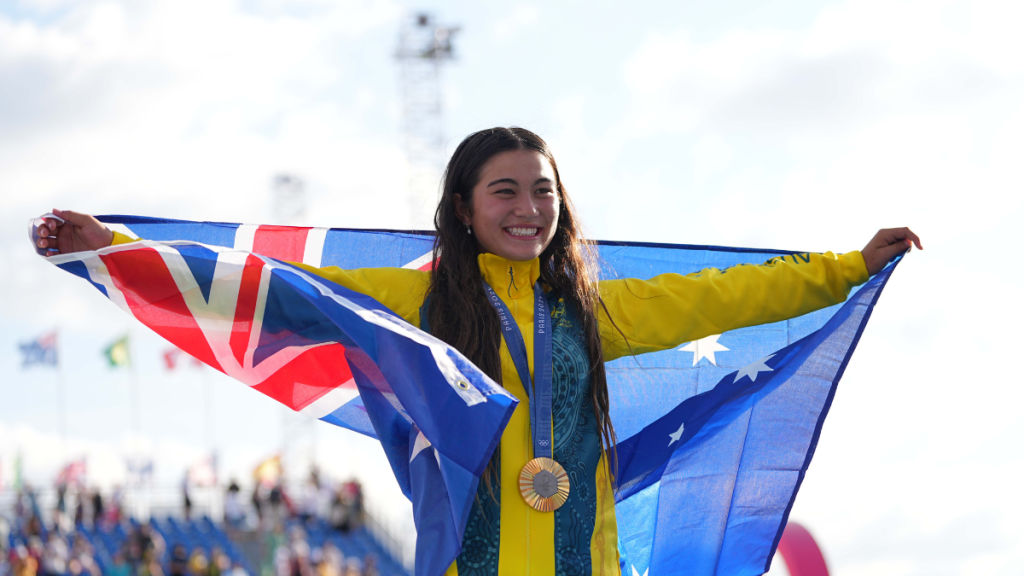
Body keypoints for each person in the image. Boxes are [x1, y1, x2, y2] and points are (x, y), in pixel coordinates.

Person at [34, 126, 921, 575]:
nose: (528, 207)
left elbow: (728, 295)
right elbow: (270, 290)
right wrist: (116, 246)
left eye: (542, 190)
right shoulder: (416, 304)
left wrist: (849, 267)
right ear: (464, 207)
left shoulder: (594, 309)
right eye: (505, 191)